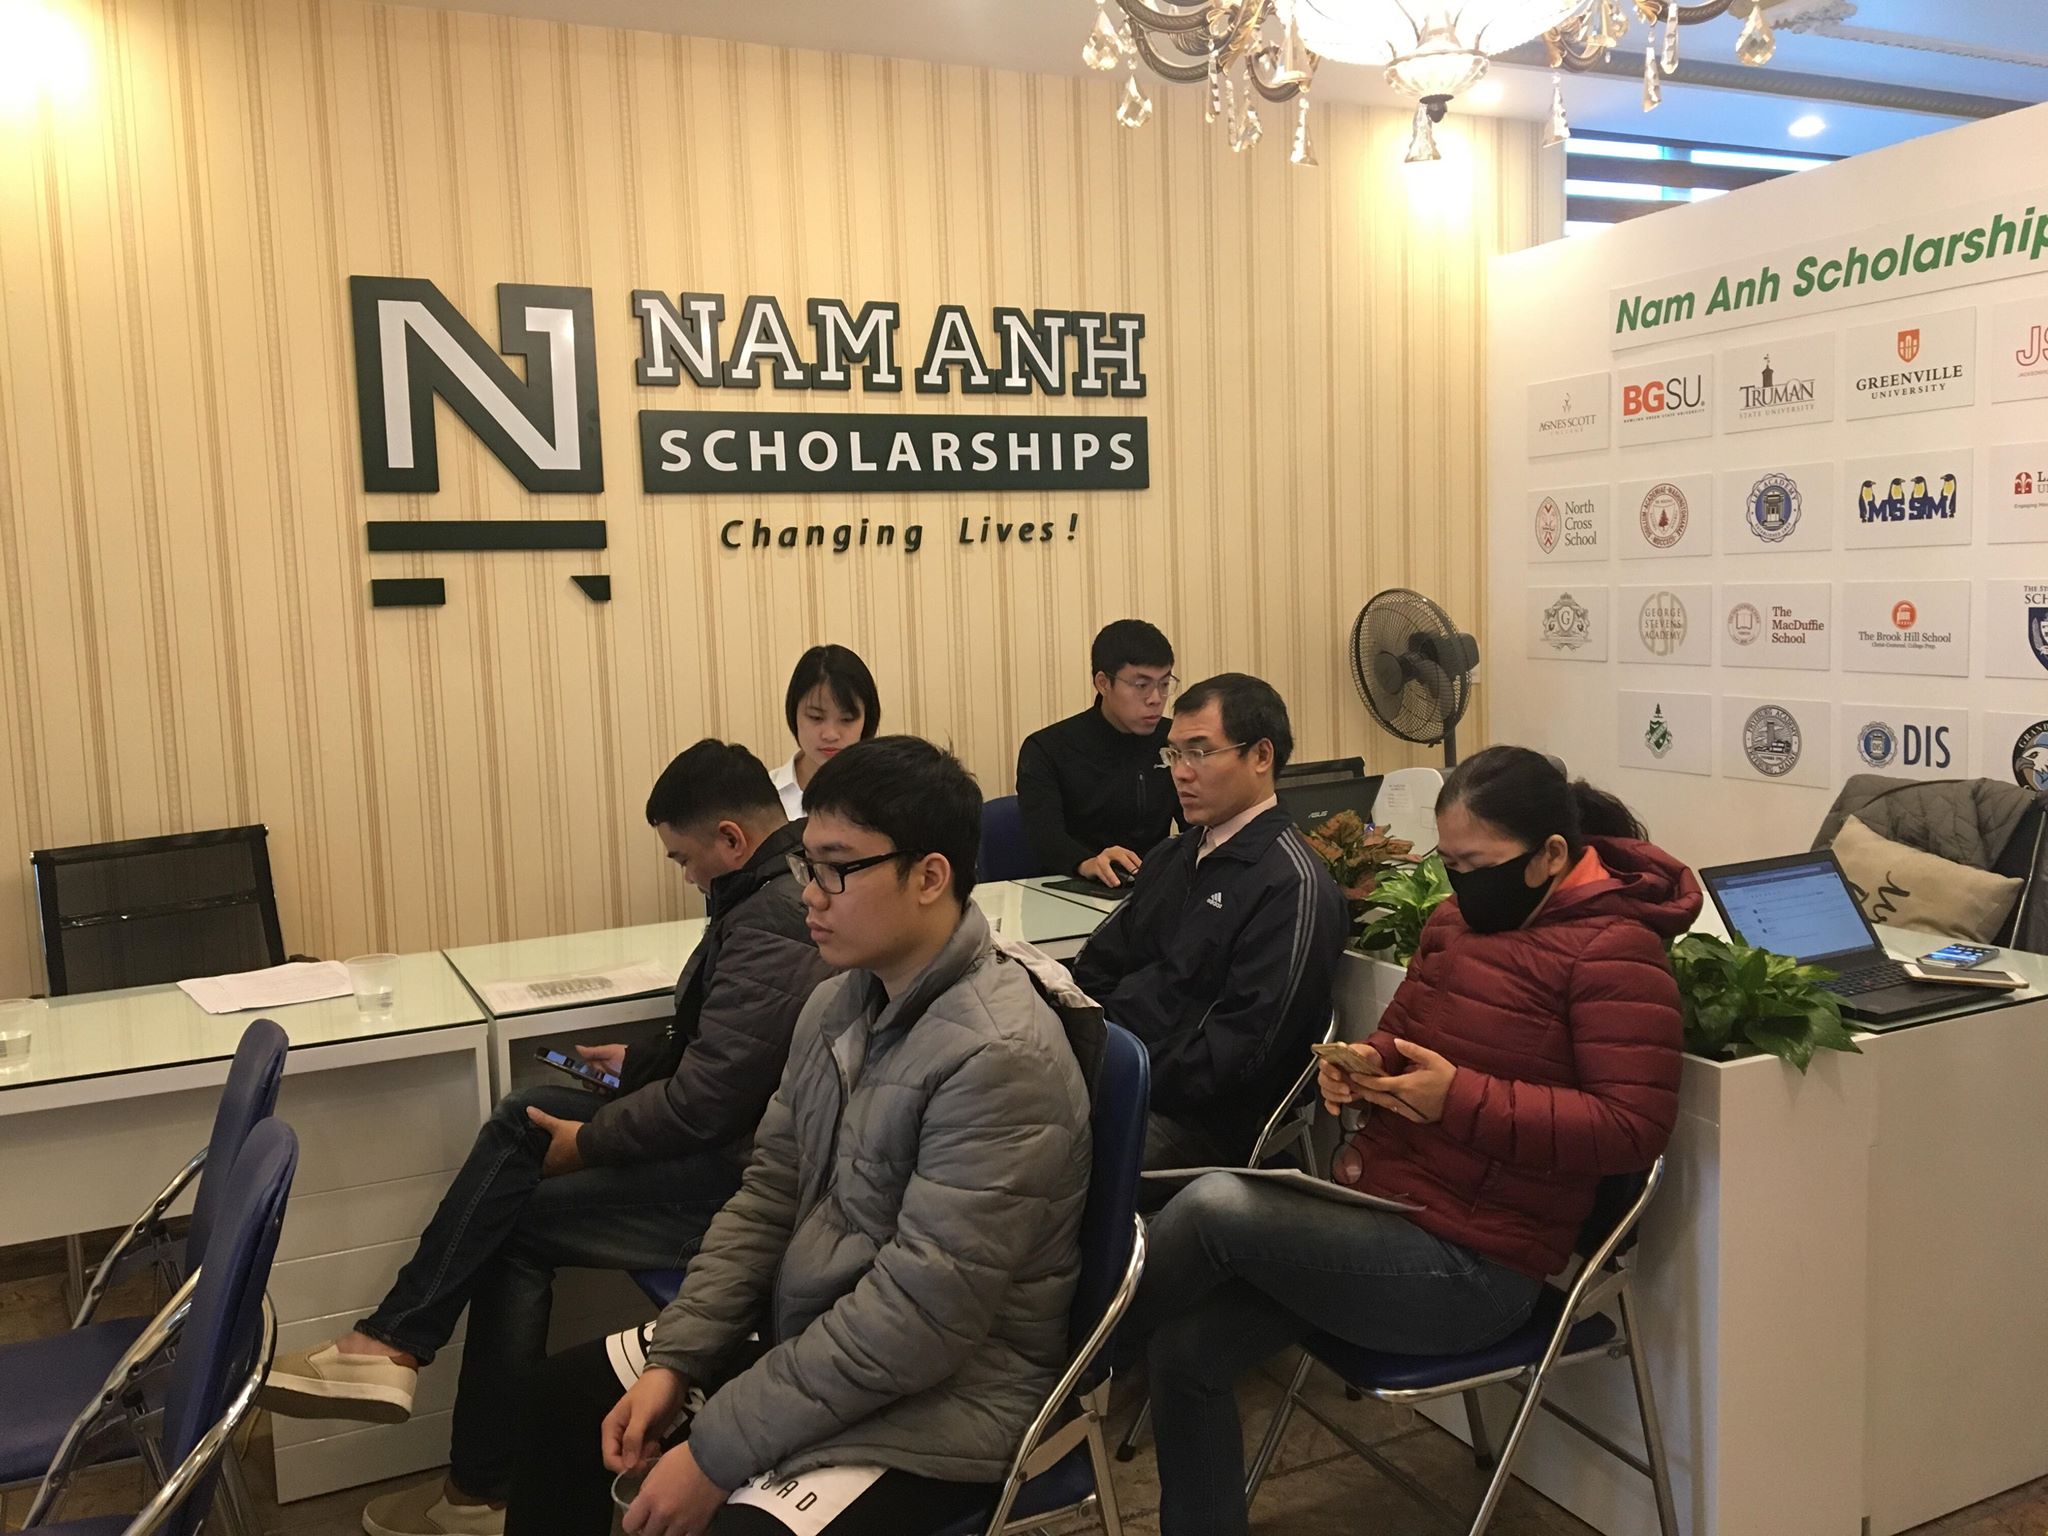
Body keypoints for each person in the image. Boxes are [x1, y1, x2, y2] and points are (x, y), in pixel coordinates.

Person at [504, 736, 1093, 1536]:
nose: (809, 894)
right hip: (822, 1338)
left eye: (836, 869)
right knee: (558, 1406)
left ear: (930, 877)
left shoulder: (1000, 1056)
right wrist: (678, 1357)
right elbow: (769, 1194)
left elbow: (918, 1322)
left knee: (726, 1523)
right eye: (806, 865)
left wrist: (715, 1450)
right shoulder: (838, 1003)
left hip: (950, 1398)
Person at [260, 741, 835, 1536]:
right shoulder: (768, 891)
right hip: (725, 1147)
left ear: (732, 839)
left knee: (515, 1219)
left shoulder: (771, 914)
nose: (684, 875)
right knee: (523, 1116)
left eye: (683, 858)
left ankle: (442, 1426)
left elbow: (708, 1104)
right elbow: (727, 1058)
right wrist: (635, 1062)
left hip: (736, 1180)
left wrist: (588, 1143)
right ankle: (404, 1367)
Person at [1126, 746, 1700, 1536]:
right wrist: (1360, 1069)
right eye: (1449, 863)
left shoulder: (1616, 954)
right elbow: (1399, 1039)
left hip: (1475, 1269)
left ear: (1550, 855)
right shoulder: (1455, 923)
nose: (1460, 883)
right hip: (1385, 1212)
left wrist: (1458, 1100)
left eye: (1476, 864)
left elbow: (1630, 1131)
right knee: (1186, 1352)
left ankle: (1055, 1374)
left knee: (1215, 1204)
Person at [1070, 672, 1347, 1170]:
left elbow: (1239, 1055)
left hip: (1196, 1120)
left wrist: (1117, 1073)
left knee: (1034, 1157)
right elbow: (1095, 968)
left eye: (1198, 752)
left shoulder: (1291, 885)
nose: (1180, 773)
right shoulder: (1172, 856)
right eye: (1173, 754)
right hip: (1117, 1072)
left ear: (1260, 756)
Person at [1016, 619, 1179, 886]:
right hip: (1074, 887)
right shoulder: (1048, 748)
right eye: (1141, 685)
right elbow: (1045, 838)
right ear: (1103, 683)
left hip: (1154, 885)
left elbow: (1199, 825)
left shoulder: (1176, 740)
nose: (1155, 699)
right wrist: (1088, 862)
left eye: (1164, 684)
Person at [769, 645, 880, 818]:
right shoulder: (764, 795)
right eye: (816, 717)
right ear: (794, 713)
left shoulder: (886, 796)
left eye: (847, 719)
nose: (830, 735)